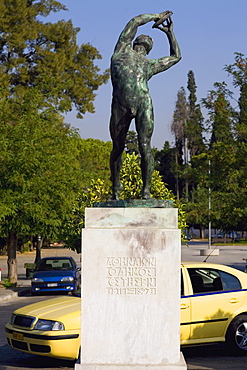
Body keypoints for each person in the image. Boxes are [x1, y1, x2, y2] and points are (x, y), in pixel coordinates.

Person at [109, 11, 181, 200]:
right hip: (121, 105)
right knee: (118, 147)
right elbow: (134, 21)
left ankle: (146, 191)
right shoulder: (121, 50)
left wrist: (169, 33)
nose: (146, 38)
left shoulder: (149, 64)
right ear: (135, 42)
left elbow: (175, 57)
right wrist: (156, 16)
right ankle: (116, 190)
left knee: (145, 147)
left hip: (143, 104)